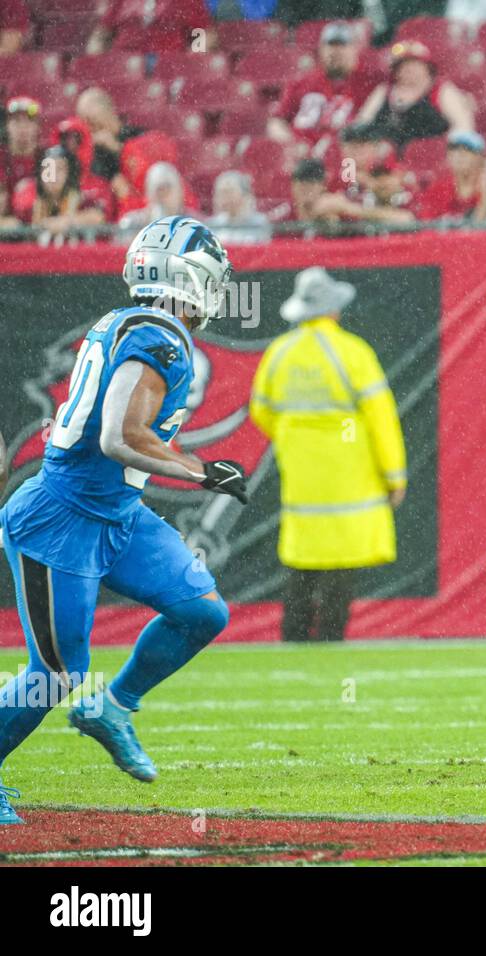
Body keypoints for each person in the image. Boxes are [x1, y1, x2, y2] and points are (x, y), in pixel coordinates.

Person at [0, 216, 246, 825]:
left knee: (202, 610)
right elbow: (119, 436)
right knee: (56, 674)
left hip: (117, 513)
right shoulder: (160, 335)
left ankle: (114, 707)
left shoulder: (136, 324)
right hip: (60, 518)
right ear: (190, 278)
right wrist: (200, 471)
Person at [250, 268, 407, 644]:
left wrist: (295, 438)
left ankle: (294, 640)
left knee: (302, 567)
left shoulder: (278, 353)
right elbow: (381, 418)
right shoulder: (353, 352)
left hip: (301, 482)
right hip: (352, 480)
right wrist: (395, 476)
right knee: (341, 567)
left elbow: (261, 411)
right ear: (334, 310)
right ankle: (331, 640)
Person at [268, 20, 384, 159]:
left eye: (342, 46)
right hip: (303, 159)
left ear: (355, 48)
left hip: (347, 156)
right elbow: (276, 122)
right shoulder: (302, 82)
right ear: (321, 49)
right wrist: (292, 144)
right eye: (331, 46)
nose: (336, 52)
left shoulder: (371, 80)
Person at [350, 40, 475, 150]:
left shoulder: (442, 90)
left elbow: (463, 127)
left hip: (430, 159)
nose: (408, 69)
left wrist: (441, 149)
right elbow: (362, 123)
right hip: (384, 160)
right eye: (403, 65)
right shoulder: (383, 91)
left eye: (414, 64)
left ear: (427, 68)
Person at [76, 88, 145, 191]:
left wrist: (117, 148)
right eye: (85, 123)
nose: (91, 129)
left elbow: (149, 168)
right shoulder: (91, 150)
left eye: (93, 121)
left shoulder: (138, 135)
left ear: (110, 111)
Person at [88, 0, 212, 53]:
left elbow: (204, 32)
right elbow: (101, 34)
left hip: (169, 62)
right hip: (123, 62)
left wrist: (194, 57)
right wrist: (96, 61)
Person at [414, 130, 485, 220]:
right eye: (454, 150)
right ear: (448, 156)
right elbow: (427, 223)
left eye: (468, 149)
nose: (460, 154)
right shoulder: (437, 189)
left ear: (480, 156)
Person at [117, 162, 194, 232]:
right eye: (159, 191)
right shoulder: (133, 223)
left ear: (179, 192)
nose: (163, 197)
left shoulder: (194, 224)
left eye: (167, 190)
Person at [209, 170, 273, 245]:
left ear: (244, 195)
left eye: (229, 192)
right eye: (220, 193)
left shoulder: (258, 223)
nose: (224, 198)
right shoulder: (212, 225)